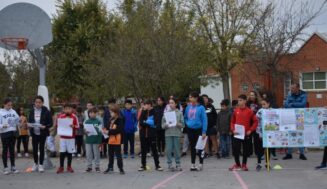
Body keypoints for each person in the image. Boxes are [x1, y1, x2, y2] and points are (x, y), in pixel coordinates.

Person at [229, 94, 258, 171]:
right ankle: (237, 164)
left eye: (240, 100)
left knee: (245, 150)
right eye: (238, 100)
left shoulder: (249, 111)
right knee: (235, 150)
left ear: (245, 101)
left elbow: (255, 121)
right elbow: (232, 122)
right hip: (237, 134)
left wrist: (250, 130)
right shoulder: (236, 111)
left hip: (246, 134)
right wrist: (233, 130)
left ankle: (244, 164)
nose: (239, 102)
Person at [283, 83, 308, 160]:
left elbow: (303, 104)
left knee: (300, 134)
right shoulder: (290, 94)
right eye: (291, 88)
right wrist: (292, 105)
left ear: (298, 88)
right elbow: (285, 104)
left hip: (300, 117)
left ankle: (302, 153)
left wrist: (292, 104)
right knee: (290, 134)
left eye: (293, 88)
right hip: (290, 117)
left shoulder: (304, 95)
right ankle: (289, 154)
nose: (291, 90)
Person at [184, 92, 208, 171]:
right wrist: (187, 124)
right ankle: (193, 164)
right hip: (190, 129)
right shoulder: (188, 107)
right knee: (192, 147)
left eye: (191, 97)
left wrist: (204, 131)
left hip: (199, 129)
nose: (190, 99)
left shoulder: (201, 108)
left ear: (196, 98)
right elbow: (185, 117)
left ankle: (201, 164)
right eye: (189, 97)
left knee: (200, 147)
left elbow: (204, 120)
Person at [29, 96, 53, 173]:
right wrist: (29, 125)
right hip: (34, 133)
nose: (38, 104)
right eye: (36, 102)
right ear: (34, 103)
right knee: (35, 149)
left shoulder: (46, 111)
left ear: (42, 103)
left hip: (43, 133)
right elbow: (30, 121)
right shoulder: (31, 111)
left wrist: (45, 126)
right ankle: (35, 163)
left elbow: (50, 123)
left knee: (42, 149)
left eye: (39, 102)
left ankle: (41, 165)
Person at [138, 100, 163, 171]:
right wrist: (147, 123)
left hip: (152, 134)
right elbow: (140, 122)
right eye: (144, 105)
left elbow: (155, 122)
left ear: (149, 105)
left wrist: (145, 122)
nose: (144, 106)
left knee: (154, 150)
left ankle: (157, 165)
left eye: (145, 104)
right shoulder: (143, 112)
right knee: (143, 150)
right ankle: (143, 165)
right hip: (143, 134)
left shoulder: (155, 112)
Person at [162, 98, 185, 171]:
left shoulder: (179, 113)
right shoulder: (166, 113)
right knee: (168, 150)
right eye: (169, 103)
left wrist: (178, 124)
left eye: (172, 103)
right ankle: (170, 164)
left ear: (176, 104)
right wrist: (166, 124)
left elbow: (183, 124)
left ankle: (178, 164)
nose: (170, 104)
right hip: (168, 134)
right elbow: (162, 125)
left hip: (176, 133)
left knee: (177, 150)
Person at [56, 104, 79, 174]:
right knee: (62, 152)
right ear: (63, 109)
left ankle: (69, 166)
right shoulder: (60, 116)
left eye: (69, 109)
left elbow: (78, 126)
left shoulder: (74, 117)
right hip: (63, 138)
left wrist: (73, 126)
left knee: (70, 152)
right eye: (66, 109)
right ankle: (61, 167)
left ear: (71, 109)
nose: (67, 110)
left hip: (71, 138)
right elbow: (57, 125)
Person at [103, 104, 125, 174]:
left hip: (117, 140)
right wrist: (104, 130)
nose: (110, 114)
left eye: (111, 112)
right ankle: (110, 167)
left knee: (118, 155)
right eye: (110, 112)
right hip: (110, 140)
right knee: (110, 154)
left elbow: (119, 130)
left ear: (116, 112)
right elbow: (106, 127)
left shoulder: (120, 119)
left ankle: (121, 168)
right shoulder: (111, 119)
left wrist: (108, 131)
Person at [0, 99, 20, 175]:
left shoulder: (13, 111)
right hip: (4, 133)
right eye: (8, 105)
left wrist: (20, 122)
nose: (10, 106)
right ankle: (5, 167)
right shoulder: (0, 112)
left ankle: (13, 166)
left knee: (12, 150)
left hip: (13, 133)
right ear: (4, 104)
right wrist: (3, 126)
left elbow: (17, 120)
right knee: (5, 150)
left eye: (11, 105)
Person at [255, 98, 272, 171]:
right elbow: (257, 123)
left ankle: (267, 163)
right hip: (261, 133)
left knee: (268, 149)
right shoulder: (260, 111)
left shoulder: (272, 111)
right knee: (260, 149)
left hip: (269, 134)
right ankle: (259, 164)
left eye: (264, 104)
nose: (263, 106)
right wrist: (259, 134)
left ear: (268, 104)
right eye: (262, 104)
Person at [84, 107, 102, 173]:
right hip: (88, 140)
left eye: (94, 113)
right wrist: (85, 132)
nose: (92, 114)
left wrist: (100, 141)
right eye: (91, 113)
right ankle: (89, 167)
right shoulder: (87, 121)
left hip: (96, 140)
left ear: (96, 113)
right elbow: (85, 130)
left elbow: (100, 132)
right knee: (88, 154)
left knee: (96, 154)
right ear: (89, 114)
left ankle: (97, 166)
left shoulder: (98, 121)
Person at [246, 91, 261, 158]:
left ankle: (258, 153)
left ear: (255, 96)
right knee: (248, 138)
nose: (251, 96)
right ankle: (249, 152)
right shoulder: (247, 104)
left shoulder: (258, 104)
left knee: (256, 138)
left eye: (253, 95)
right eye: (250, 95)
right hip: (249, 123)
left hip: (256, 122)